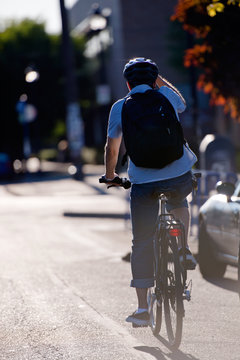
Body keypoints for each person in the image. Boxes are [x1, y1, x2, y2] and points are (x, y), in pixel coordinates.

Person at [103, 57, 197, 327]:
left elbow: (113, 148)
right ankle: (183, 249)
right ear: (155, 80)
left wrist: (110, 176)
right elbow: (182, 102)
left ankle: (143, 309)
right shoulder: (166, 95)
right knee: (180, 197)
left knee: (141, 241)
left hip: (143, 180)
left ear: (127, 82)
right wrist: (160, 80)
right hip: (177, 171)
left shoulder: (120, 107)